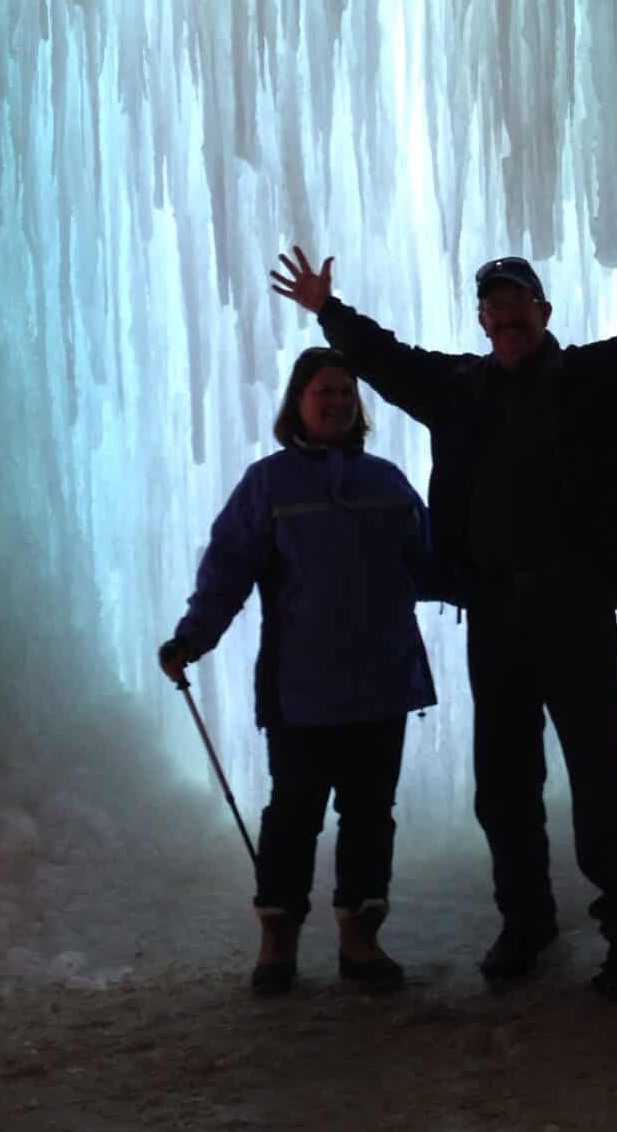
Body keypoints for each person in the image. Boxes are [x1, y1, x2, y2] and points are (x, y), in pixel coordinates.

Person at [269, 195, 617, 994]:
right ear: (482, 321)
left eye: (518, 300)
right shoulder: (457, 389)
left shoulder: (600, 379)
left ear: (544, 312)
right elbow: (386, 359)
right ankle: (526, 921)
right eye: (493, 303)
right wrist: (326, 311)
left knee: (599, 774)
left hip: (577, 609)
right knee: (505, 783)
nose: (506, 313)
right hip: (498, 614)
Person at [158, 348, 438, 995]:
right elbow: (227, 569)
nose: (336, 403)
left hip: (381, 684)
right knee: (294, 814)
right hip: (301, 688)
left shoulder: (388, 483)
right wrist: (192, 637)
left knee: (370, 814)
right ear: (298, 404)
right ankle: (277, 939)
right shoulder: (269, 484)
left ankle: (359, 937)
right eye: (323, 392)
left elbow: (429, 565)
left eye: (345, 391)